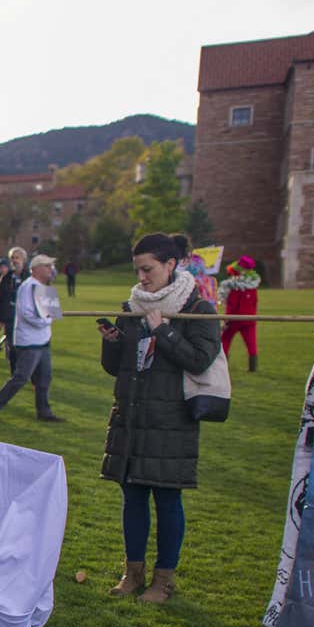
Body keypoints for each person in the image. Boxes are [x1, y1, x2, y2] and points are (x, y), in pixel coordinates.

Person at [100, 233, 220, 603]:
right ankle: (132, 573)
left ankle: (162, 581)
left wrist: (163, 330)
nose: (142, 277)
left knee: (168, 501)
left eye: (148, 269)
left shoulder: (199, 310)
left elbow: (200, 359)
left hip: (171, 422)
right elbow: (113, 368)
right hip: (132, 419)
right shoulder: (131, 307)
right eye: (137, 270)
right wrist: (113, 341)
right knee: (132, 498)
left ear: (171, 265)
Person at [0, 254, 64, 423]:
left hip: (43, 340)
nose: (50, 270)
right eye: (47, 266)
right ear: (36, 269)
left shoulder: (43, 287)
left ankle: (44, 411)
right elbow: (26, 314)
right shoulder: (28, 287)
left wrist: (51, 315)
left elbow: (49, 311)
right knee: (21, 377)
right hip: (29, 342)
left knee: (44, 377)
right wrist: (46, 321)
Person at [217, 254, 260, 372]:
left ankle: (223, 365)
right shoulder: (253, 285)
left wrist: (227, 320)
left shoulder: (235, 286)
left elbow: (232, 304)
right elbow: (255, 302)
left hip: (234, 319)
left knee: (225, 340)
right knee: (251, 343)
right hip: (250, 318)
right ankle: (253, 367)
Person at [0, 247, 27, 372]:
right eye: (12, 258)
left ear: (23, 259)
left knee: (25, 347)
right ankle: (15, 373)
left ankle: (27, 371)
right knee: (12, 346)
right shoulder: (7, 277)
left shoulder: (30, 276)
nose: (14, 260)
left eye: (17, 257)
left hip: (26, 319)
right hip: (10, 318)